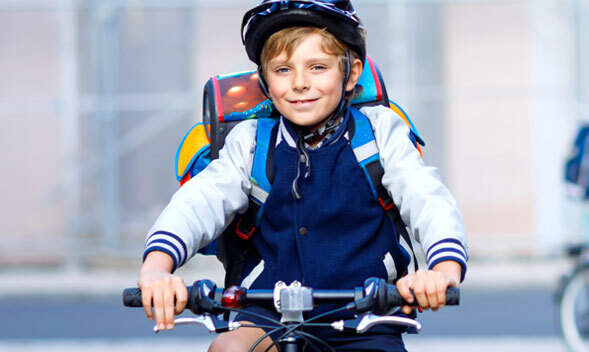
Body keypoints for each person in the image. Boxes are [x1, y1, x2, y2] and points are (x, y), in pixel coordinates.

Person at [136, 1, 468, 351]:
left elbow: (425, 197)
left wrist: (442, 270)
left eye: (318, 67)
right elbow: (199, 202)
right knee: (229, 349)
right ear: (264, 79)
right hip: (267, 313)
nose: (299, 83)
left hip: (365, 318)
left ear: (352, 73)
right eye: (282, 70)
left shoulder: (379, 133)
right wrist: (157, 268)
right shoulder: (251, 143)